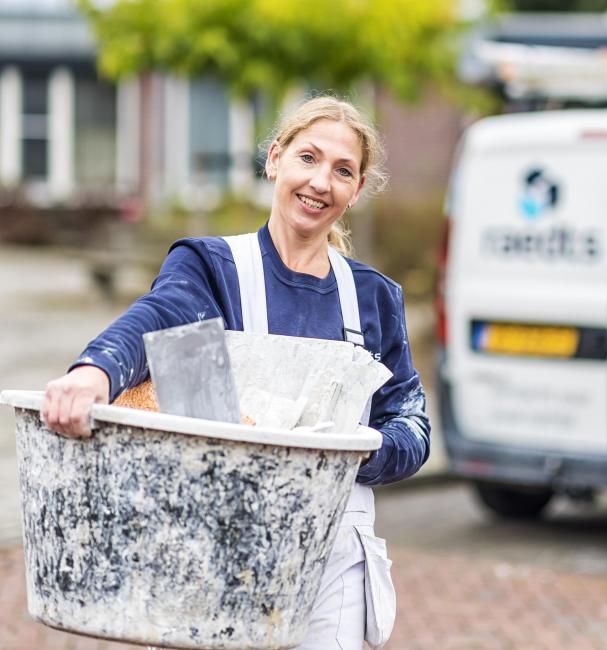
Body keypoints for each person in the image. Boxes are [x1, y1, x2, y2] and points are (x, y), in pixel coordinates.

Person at [42, 95, 431, 649]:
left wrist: (356, 449)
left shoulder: (372, 298)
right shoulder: (212, 267)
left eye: (342, 171)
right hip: (214, 549)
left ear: (357, 190)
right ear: (274, 159)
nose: (321, 182)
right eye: (307, 158)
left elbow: (411, 426)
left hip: (333, 557)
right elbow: (159, 320)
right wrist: (95, 373)